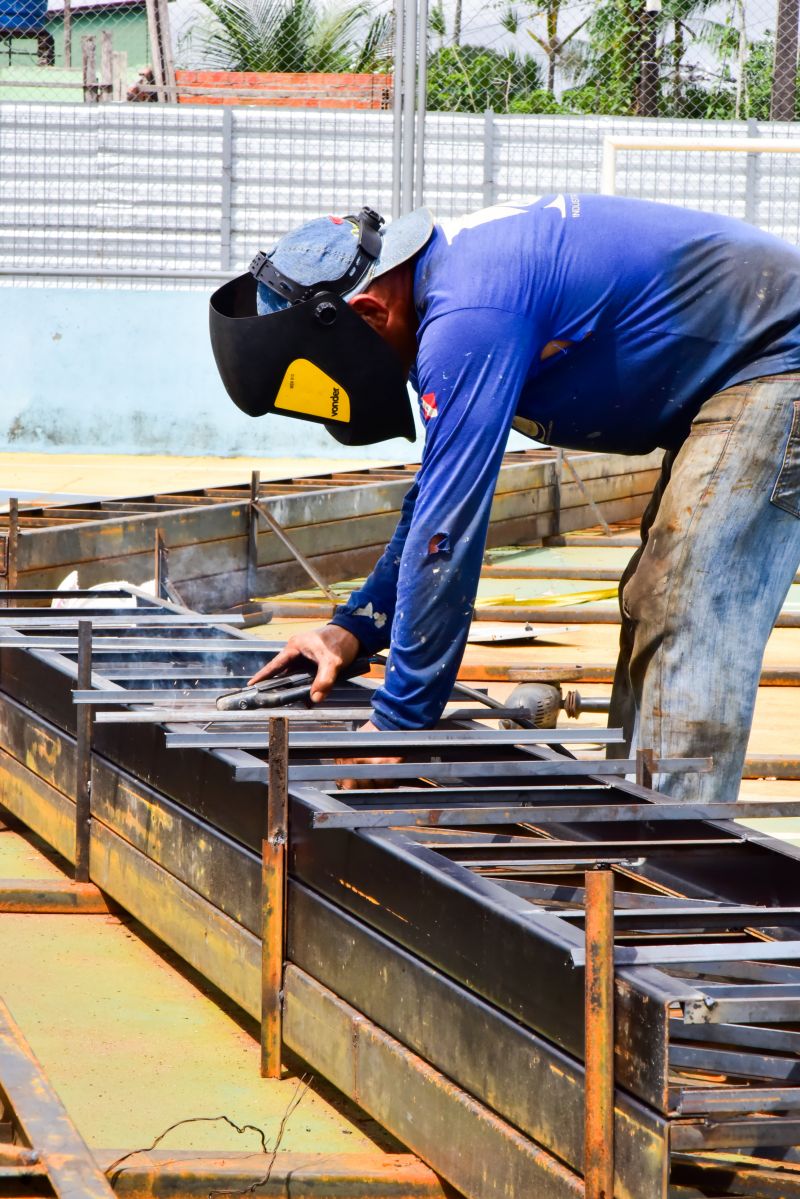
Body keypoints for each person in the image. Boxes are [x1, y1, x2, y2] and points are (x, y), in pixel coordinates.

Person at [209, 197, 800, 801]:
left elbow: (449, 532)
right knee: (654, 596)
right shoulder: (440, 289)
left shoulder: (468, 312)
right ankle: (638, 821)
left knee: (687, 603)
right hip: (743, 364)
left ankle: (679, 858)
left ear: (365, 311)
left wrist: (399, 721)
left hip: (780, 358)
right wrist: (354, 628)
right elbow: (434, 502)